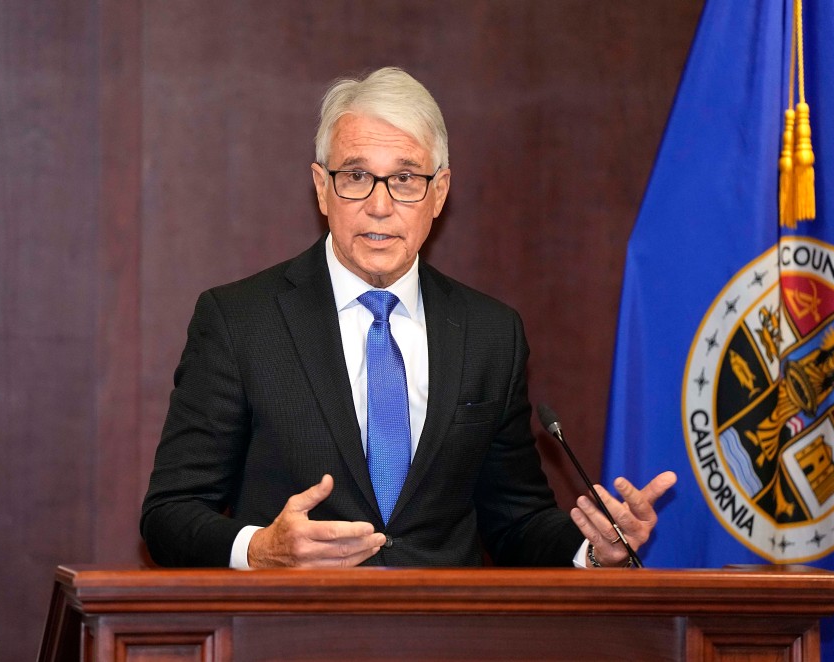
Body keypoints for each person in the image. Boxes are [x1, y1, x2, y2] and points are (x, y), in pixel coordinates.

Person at [140, 67, 676, 569]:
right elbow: (169, 514)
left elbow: (516, 520)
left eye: (404, 179)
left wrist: (595, 549)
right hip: (292, 632)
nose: (379, 205)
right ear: (322, 188)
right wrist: (260, 548)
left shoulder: (490, 334)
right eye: (355, 176)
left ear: (438, 192)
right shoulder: (240, 321)